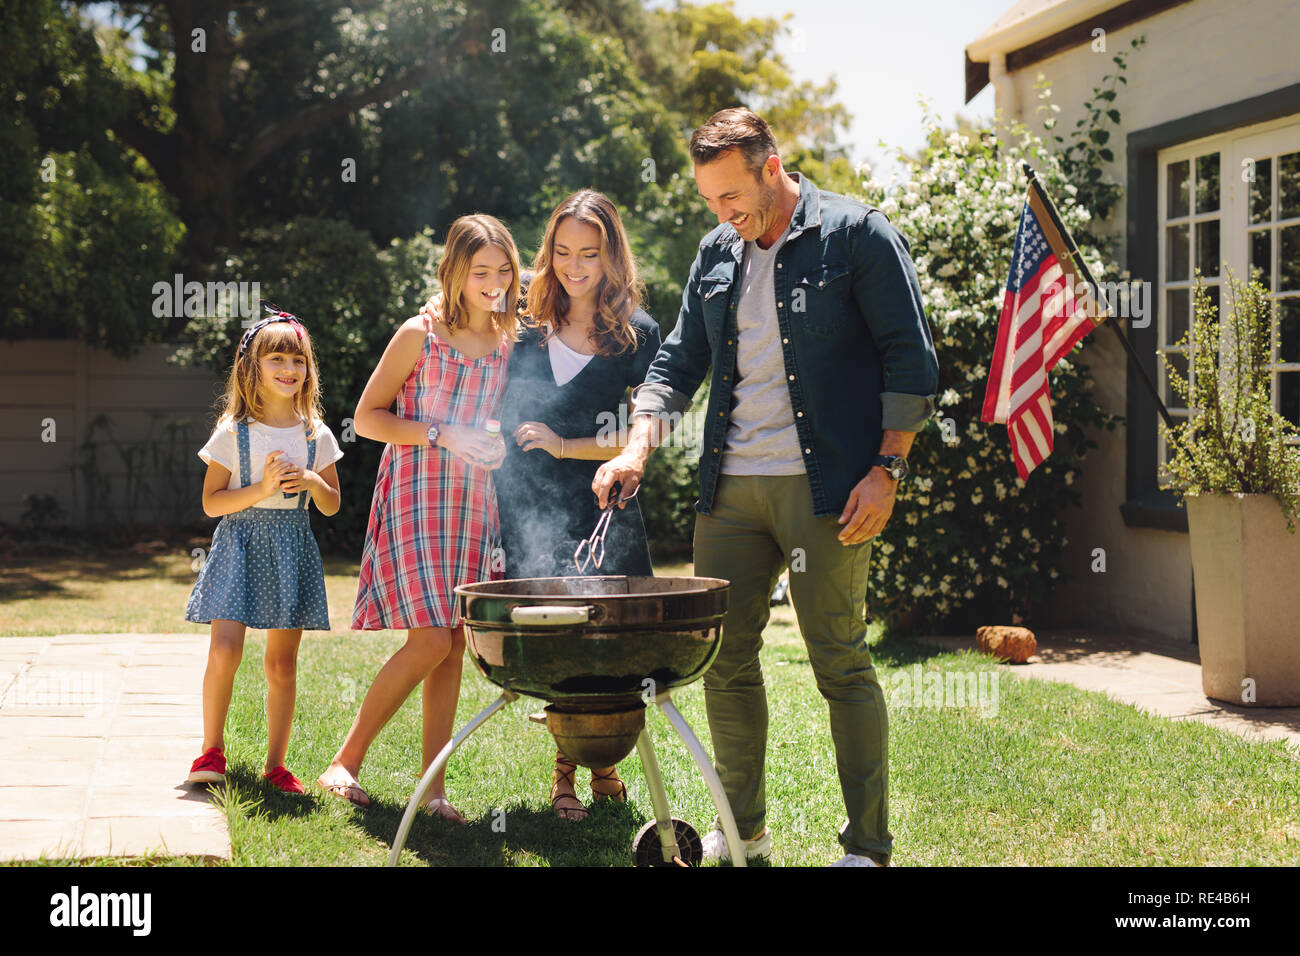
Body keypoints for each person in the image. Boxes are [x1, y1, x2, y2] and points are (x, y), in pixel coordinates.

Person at [594, 108, 939, 866]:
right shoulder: (717, 253)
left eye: (732, 198)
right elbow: (676, 366)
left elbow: (910, 362)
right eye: (710, 202)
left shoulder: (856, 236)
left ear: (772, 167)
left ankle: (867, 847)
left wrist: (888, 472)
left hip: (828, 491)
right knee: (724, 660)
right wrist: (634, 449)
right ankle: (741, 830)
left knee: (839, 660)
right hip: (731, 492)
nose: (722, 215)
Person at [426, 190, 661, 820]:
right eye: (561, 252)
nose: (575, 266)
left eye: (589, 253)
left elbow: (645, 433)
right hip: (525, 506)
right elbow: (458, 315)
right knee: (556, 641)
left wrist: (565, 445)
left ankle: (603, 763)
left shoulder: (637, 334)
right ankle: (566, 774)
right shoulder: (523, 323)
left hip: (604, 503)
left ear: (612, 254)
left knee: (606, 642)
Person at [317, 214, 519, 821]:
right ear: (454, 272)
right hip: (417, 489)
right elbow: (368, 417)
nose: (493, 282)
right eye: (480, 271)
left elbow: (486, 422)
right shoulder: (419, 334)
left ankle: (433, 793)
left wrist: (494, 444)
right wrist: (442, 434)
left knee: (453, 642)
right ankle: (344, 761)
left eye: (503, 269)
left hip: (472, 498)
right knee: (431, 636)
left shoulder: (507, 341)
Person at [185, 304, 344, 794]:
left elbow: (334, 505)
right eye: (276, 359)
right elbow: (212, 503)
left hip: (290, 549)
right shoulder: (235, 432)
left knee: (281, 663)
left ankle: (276, 765)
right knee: (226, 649)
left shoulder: (315, 434)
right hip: (239, 546)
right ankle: (212, 749)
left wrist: (314, 479)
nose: (288, 370)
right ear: (251, 368)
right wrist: (261, 487)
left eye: (298, 361)